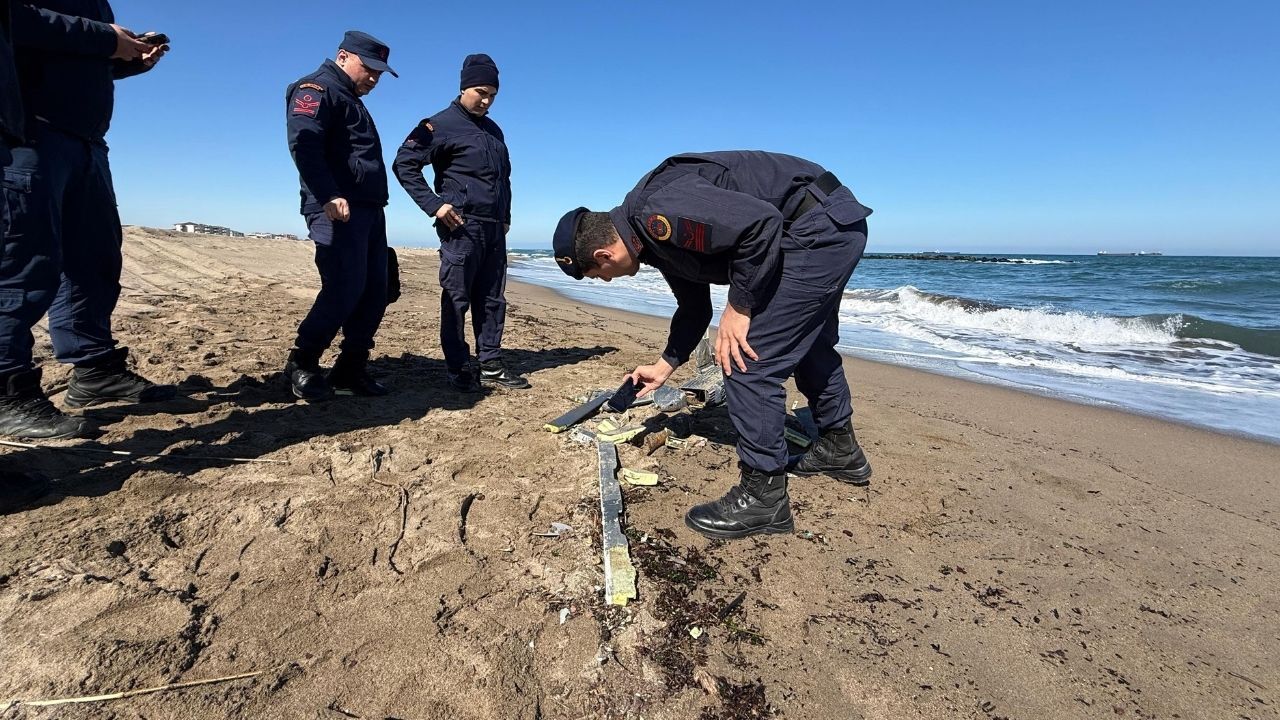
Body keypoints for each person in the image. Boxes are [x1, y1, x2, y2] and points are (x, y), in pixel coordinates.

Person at [552, 151, 874, 540]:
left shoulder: (659, 213)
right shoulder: (651, 240)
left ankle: (764, 496)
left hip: (815, 229)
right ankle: (840, 449)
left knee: (745, 358)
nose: (605, 281)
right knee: (806, 343)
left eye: (597, 275)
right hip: (826, 225)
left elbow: (761, 223)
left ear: (604, 255)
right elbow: (694, 307)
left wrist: (739, 306)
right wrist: (664, 365)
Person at [0, 1, 168, 441]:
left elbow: (68, 56)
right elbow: (12, 21)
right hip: (24, 133)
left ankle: (94, 370)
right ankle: (6, 389)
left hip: (86, 141)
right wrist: (104, 38)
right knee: (21, 264)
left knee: (92, 264)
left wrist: (126, 57)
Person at [393, 53, 528, 393]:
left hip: (494, 228)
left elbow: (503, 179)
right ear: (464, 87)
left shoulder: (494, 130)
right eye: (480, 92)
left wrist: (505, 218)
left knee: (493, 299)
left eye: (493, 95)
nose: (486, 101)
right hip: (461, 228)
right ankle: (457, 366)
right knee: (457, 299)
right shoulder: (437, 125)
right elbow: (404, 164)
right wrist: (435, 206)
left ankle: (491, 364)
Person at [283, 31, 397, 401]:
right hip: (335, 208)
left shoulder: (352, 99)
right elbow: (304, 143)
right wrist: (329, 193)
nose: (375, 79)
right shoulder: (315, 89)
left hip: (368, 209)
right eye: (370, 69)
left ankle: (351, 367)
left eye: (380, 74)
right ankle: (302, 362)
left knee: (376, 291)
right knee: (344, 288)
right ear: (343, 56)